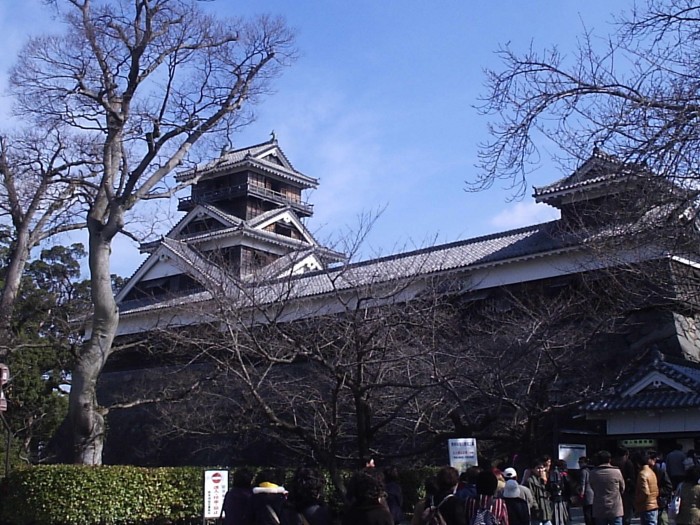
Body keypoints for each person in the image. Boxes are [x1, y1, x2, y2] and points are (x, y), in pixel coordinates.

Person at [589, 450, 625, 525]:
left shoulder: (593, 473)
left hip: (599, 507)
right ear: (609, 459)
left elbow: (592, 487)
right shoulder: (616, 472)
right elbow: (622, 488)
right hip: (615, 507)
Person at [633, 451, 659, 525]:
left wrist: (637, 500)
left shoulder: (642, 474)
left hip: (646, 506)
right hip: (653, 504)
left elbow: (645, 492)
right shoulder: (651, 472)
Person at [612, 447, 635, 525]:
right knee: (627, 513)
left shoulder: (612, 462)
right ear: (626, 454)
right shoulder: (628, 463)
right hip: (627, 491)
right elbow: (632, 478)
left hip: (614, 491)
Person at [649, 450, 673, 525]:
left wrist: (657, 492)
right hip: (650, 502)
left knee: (661, 519)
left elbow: (668, 487)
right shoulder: (644, 472)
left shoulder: (660, 470)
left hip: (659, 500)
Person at [525, 460, 553, 525]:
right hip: (537, 513)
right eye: (538, 468)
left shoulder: (543, 480)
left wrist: (545, 481)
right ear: (533, 469)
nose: (540, 470)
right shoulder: (530, 481)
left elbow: (548, 493)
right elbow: (531, 496)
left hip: (545, 512)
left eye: (542, 468)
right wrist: (536, 507)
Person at [578, 457, 595, 525]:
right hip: (593, 492)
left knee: (587, 512)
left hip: (587, 493)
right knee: (593, 512)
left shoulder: (583, 471)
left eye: (581, 462)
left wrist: (581, 493)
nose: (579, 464)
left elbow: (583, 483)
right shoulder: (592, 469)